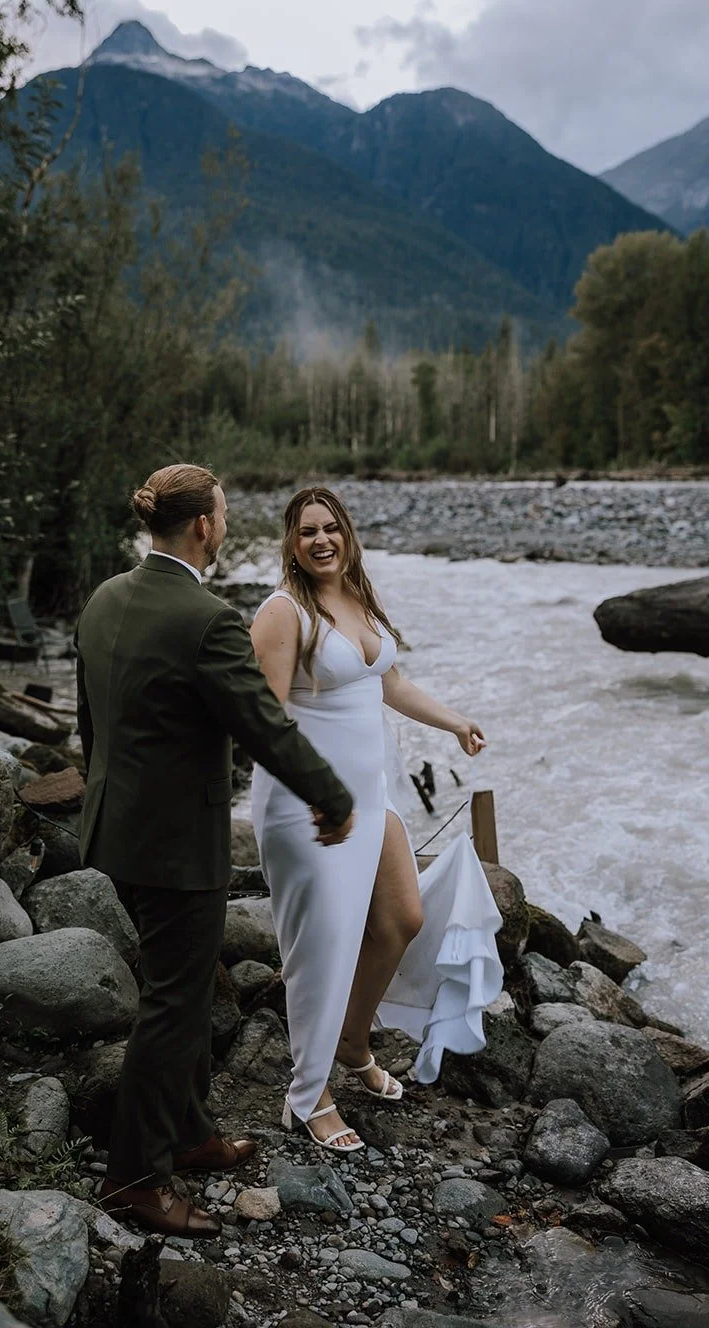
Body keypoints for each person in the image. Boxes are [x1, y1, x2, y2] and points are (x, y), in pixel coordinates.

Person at [76, 464, 355, 1235]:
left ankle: (191, 1133)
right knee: (172, 1003)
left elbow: (89, 718)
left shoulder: (105, 598)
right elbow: (264, 726)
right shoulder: (204, 619)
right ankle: (134, 1178)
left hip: (114, 829)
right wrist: (332, 796)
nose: (225, 525)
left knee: (188, 985)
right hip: (174, 845)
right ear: (203, 526)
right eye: (224, 514)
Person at [250, 486, 503, 1152]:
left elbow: (387, 683)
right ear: (291, 542)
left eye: (331, 528)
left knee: (401, 919)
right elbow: (264, 719)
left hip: (372, 794)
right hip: (308, 802)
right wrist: (308, 792)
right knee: (319, 950)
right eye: (307, 532)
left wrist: (454, 721)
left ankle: (352, 1041)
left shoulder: (358, 598)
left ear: (347, 533)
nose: (321, 540)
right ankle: (306, 1098)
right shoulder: (281, 614)